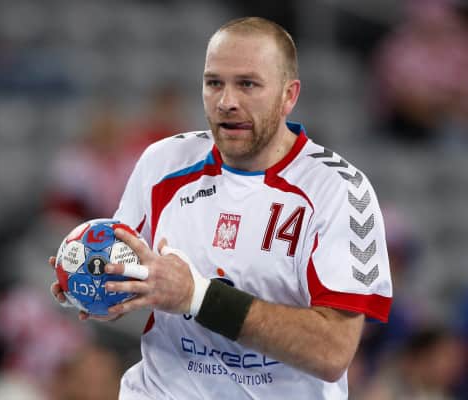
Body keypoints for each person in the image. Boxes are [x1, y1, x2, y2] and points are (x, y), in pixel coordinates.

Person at [50, 17, 392, 399]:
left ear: (288, 95)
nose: (226, 102)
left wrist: (196, 296)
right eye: (214, 83)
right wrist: (102, 285)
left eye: (247, 84)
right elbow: (132, 272)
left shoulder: (339, 190)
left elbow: (332, 352)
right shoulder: (162, 162)